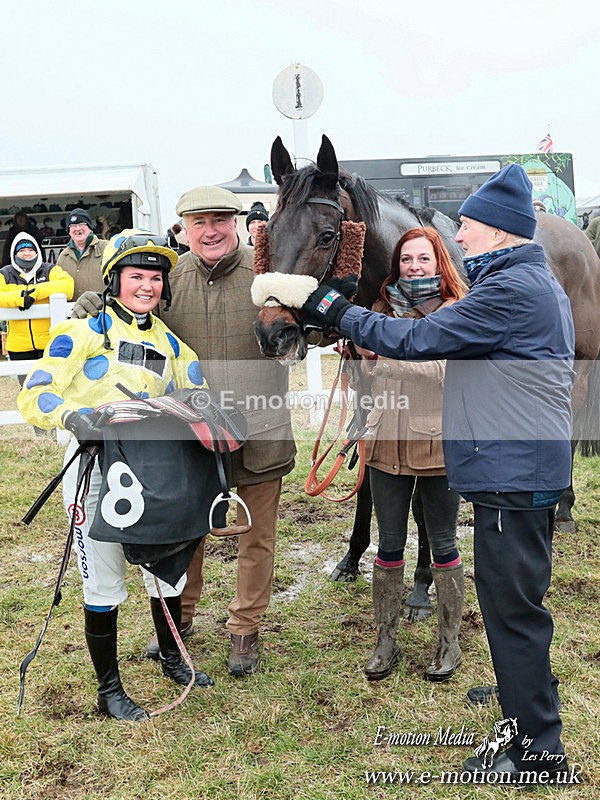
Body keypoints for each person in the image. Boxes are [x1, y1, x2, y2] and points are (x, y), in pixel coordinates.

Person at [299, 164, 573, 778]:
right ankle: (521, 695)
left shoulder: (508, 291)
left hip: (513, 474)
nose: (460, 235)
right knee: (514, 601)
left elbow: (416, 340)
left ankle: (538, 749)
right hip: (517, 469)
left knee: (512, 609)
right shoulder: (518, 281)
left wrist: (333, 308)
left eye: (469, 226)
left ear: (500, 232)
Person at [73, 186, 296, 677]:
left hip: (261, 430)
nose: (210, 231)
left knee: (257, 538)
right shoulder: (169, 278)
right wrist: (95, 301)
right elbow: (135, 314)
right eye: (199, 223)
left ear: (236, 223)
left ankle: (245, 628)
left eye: (219, 220)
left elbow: (309, 323)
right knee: (184, 532)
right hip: (190, 437)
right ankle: (180, 621)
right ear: (186, 229)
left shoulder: (269, 276)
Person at [18, 230, 220, 721]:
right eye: (136, 276)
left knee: (166, 569)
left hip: (156, 469)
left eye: (155, 277)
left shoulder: (172, 344)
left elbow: (199, 396)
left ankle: (172, 657)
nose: (147, 286)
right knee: (103, 579)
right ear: (114, 280)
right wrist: (73, 416)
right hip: (94, 469)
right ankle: (109, 691)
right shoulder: (81, 332)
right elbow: (35, 391)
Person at [361, 227, 468, 683]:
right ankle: (385, 639)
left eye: (423, 258)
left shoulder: (456, 310)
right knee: (388, 543)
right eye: (406, 259)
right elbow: (367, 372)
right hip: (386, 440)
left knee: (443, 543)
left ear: (439, 262)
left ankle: (449, 641)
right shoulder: (380, 309)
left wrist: (381, 355)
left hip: (438, 444)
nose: (414, 267)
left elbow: (440, 370)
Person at [0, 233, 73, 390]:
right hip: (19, 346)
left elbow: (68, 286)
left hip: (48, 343)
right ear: (14, 253)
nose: (26, 253)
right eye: (21, 250)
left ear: (37, 252)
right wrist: (19, 298)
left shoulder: (50, 270)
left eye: (30, 249)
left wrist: (35, 293)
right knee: (27, 389)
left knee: (53, 388)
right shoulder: (5, 273)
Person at [56, 208, 107, 296]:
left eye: (82, 224)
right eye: (73, 225)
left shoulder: (106, 248)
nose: (78, 228)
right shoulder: (63, 257)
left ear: (90, 227)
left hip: (103, 305)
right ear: (69, 231)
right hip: (74, 305)